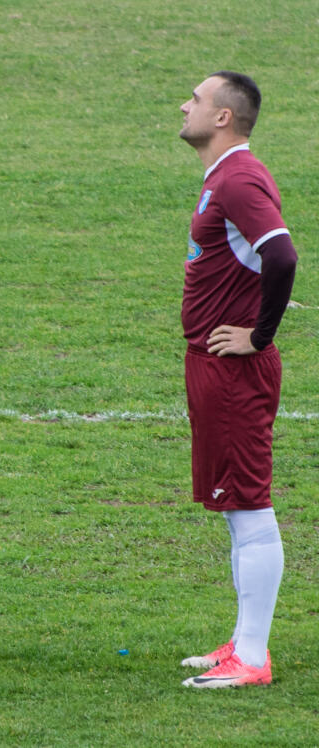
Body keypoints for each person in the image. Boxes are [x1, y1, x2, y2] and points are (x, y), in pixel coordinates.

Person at [175, 71, 296, 689]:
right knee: (235, 507)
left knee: (249, 507)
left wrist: (259, 335)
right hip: (214, 365)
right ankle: (243, 641)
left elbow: (282, 254)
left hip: (234, 369)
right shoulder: (223, 176)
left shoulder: (239, 178)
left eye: (196, 99)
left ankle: (252, 658)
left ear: (223, 116)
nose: (185, 105)